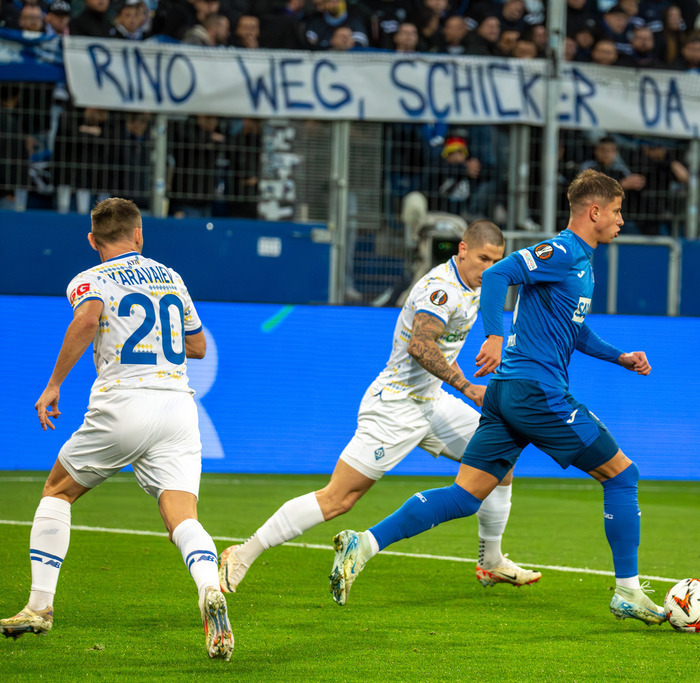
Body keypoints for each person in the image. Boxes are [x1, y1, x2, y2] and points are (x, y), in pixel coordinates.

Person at [329, 169, 667, 627]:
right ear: (595, 211)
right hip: (537, 392)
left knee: (467, 495)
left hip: (509, 392)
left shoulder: (581, 262)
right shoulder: (562, 250)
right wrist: (493, 334)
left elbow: (575, 328)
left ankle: (363, 544)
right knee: (623, 476)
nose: (621, 221)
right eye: (617, 211)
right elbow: (499, 276)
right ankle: (627, 591)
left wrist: (618, 356)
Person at [218, 221, 541, 595]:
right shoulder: (442, 290)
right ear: (463, 249)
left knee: (500, 458)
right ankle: (242, 554)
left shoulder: (478, 287)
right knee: (339, 498)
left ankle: (491, 562)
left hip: (432, 402)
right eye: (484, 258)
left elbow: (440, 348)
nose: (490, 268)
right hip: (396, 404)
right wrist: (468, 387)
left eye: (497, 261)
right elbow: (420, 345)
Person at [0, 198, 233, 660]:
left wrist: (53, 385)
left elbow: (87, 320)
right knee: (182, 517)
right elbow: (199, 346)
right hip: (178, 409)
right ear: (139, 233)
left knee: (57, 492)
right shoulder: (171, 276)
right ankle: (210, 588)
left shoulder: (89, 280)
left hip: (123, 402)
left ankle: (39, 607)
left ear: (93, 240)